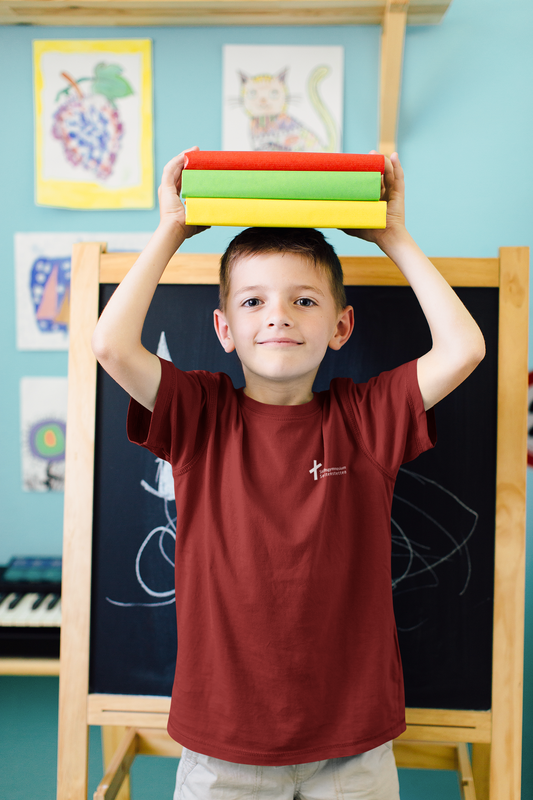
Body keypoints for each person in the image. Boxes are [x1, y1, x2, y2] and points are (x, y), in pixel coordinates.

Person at [91, 147, 485, 800]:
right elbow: (109, 345)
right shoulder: (200, 415)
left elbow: (464, 348)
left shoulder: (364, 419)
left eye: (303, 300)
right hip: (222, 746)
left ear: (340, 326)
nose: (277, 315)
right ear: (223, 328)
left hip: (353, 746)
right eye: (252, 301)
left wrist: (392, 235)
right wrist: (172, 229)